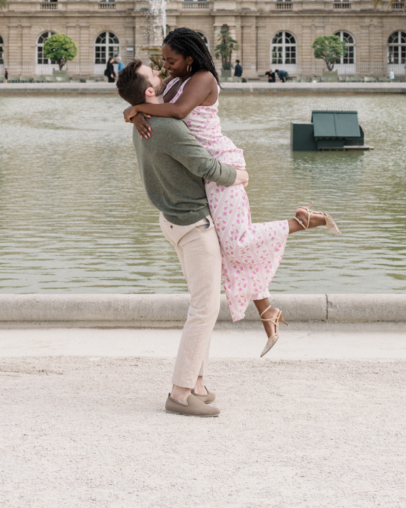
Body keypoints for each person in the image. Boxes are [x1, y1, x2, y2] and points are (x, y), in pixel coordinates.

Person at [123, 29, 339, 352]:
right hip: (204, 170)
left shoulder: (204, 78)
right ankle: (268, 312)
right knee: (228, 247)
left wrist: (137, 111)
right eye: (164, 61)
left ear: (190, 58)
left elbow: (179, 112)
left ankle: (303, 221)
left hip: (221, 166)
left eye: (171, 60)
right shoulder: (172, 81)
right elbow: (149, 94)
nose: (165, 66)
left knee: (237, 242)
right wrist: (134, 109)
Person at [115, 60, 246, 418]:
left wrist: (132, 111)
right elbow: (205, 166)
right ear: (149, 92)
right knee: (204, 309)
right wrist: (239, 175)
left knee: (202, 305)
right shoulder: (169, 128)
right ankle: (180, 392)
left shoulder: (141, 123)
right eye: (155, 74)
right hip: (193, 226)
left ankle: (198, 384)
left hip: (172, 221)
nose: (161, 72)